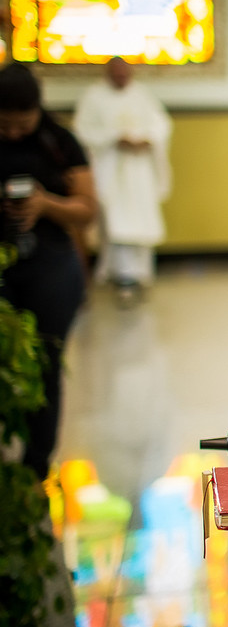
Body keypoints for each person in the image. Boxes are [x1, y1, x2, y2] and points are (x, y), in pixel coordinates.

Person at [0, 62, 98, 479]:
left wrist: (44, 204)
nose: (14, 134)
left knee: (46, 361)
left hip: (50, 266)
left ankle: (36, 464)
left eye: (22, 125)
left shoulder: (59, 143)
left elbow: (87, 210)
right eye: (5, 126)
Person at [74, 57, 172, 305]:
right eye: (116, 74)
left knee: (141, 216)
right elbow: (82, 130)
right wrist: (114, 138)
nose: (121, 78)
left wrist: (147, 139)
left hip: (138, 169)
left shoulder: (141, 94)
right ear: (108, 73)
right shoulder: (94, 96)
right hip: (111, 167)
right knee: (118, 221)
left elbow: (161, 124)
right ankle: (123, 276)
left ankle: (141, 273)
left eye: (125, 74)